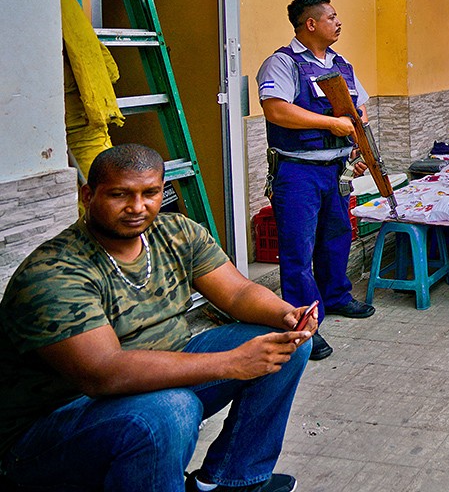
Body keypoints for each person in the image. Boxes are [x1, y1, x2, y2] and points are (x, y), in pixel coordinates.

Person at [0, 145, 312, 492]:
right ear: (88, 196)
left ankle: (232, 481)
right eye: (120, 195)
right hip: (53, 430)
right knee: (171, 411)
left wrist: (286, 314)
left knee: (287, 344)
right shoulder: (54, 272)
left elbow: (238, 293)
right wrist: (233, 362)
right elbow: (103, 372)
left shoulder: (175, 232)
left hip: (150, 383)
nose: (137, 207)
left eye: (150, 193)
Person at [256, 0, 375, 362]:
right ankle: (304, 325)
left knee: (336, 238)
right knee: (298, 250)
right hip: (298, 171)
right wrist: (331, 124)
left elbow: (360, 108)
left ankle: (336, 296)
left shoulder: (341, 64)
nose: (338, 23)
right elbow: (276, 110)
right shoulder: (282, 63)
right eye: (331, 17)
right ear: (311, 24)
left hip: (336, 169)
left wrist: (357, 142)